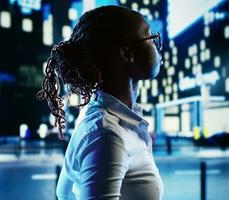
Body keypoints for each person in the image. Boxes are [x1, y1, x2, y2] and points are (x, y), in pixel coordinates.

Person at [37, 5, 164, 200]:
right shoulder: (107, 134)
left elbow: (66, 192)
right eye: (149, 37)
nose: (157, 43)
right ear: (127, 54)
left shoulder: (99, 116)